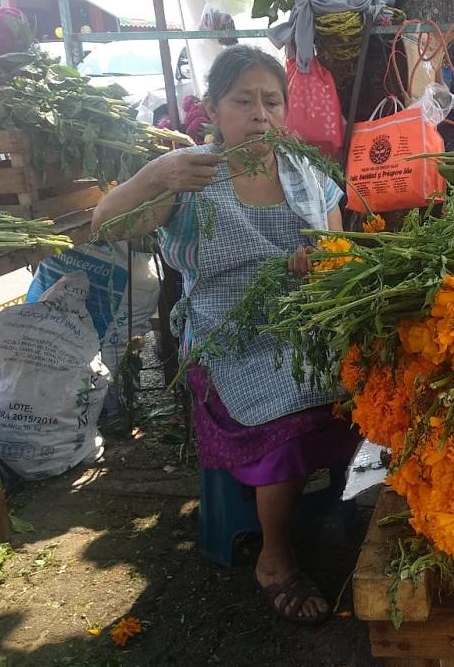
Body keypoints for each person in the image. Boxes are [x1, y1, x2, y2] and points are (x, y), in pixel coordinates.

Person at [92, 46, 361, 625]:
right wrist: (155, 175)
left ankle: (353, 514)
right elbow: (105, 224)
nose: (260, 113)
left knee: (379, 383)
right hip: (229, 342)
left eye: (272, 101)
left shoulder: (306, 174)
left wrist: (320, 261)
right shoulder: (189, 177)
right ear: (212, 109)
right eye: (243, 101)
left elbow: (338, 251)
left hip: (304, 329)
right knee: (290, 399)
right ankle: (275, 559)